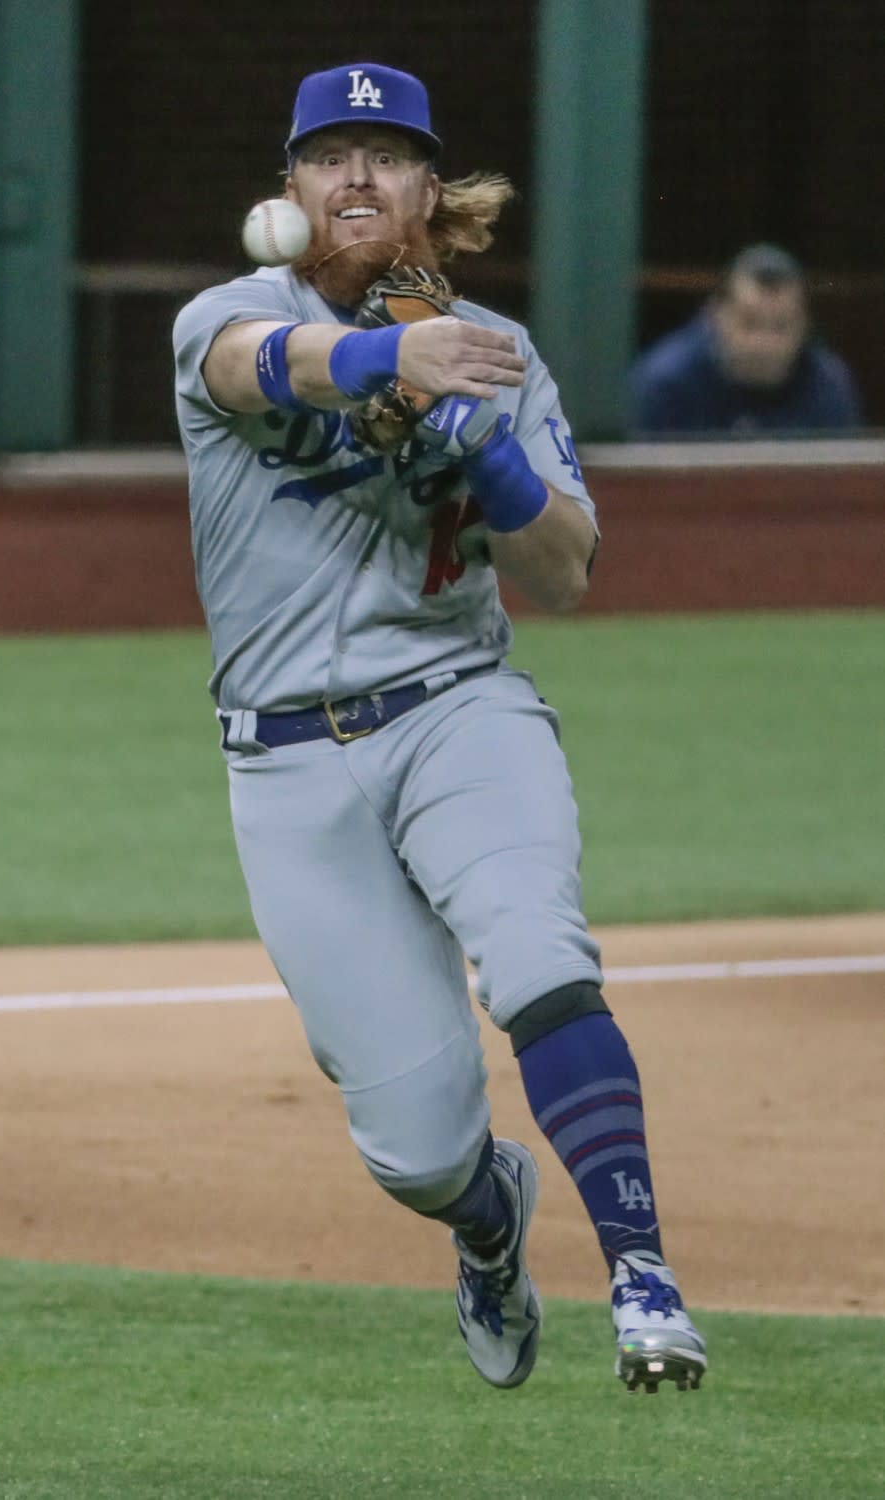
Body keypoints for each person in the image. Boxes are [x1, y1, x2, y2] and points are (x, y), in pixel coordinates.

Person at [173, 61, 706, 1394]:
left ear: (427, 193)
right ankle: (487, 1224)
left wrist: (491, 452)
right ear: (290, 190)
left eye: (386, 155)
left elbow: (567, 569)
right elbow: (260, 371)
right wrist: (382, 360)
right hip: (288, 762)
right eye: (330, 155)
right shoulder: (223, 316)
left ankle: (643, 1277)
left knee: (534, 948)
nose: (356, 177)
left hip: (460, 708)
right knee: (414, 1151)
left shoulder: (496, 354)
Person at [631, 242, 862, 437]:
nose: (764, 343)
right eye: (749, 323)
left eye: (781, 326)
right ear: (715, 316)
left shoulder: (829, 385)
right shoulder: (665, 383)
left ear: (805, 326)